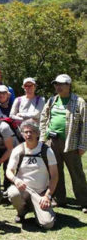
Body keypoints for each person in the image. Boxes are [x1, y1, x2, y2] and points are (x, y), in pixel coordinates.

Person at [39, 74, 87, 213]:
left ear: (69, 85)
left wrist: (83, 145)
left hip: (70, 143)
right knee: (55, 171)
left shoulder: (79, 102)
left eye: (61, 84)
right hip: (52, 141)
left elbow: (85, 125)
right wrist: (43, 137)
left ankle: (84, 202)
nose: (58, 87)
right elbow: (43, 118)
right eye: (56, 84)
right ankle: (60, 199)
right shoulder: (52, 100)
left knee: (76, 173)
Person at [6, 120, 58, 229]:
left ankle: (39, 210)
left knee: (47, 224)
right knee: (12, 193)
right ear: (22, 134)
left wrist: (47, 196)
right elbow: (9, 171)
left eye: (32, 131)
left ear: (38, 134)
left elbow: (54, 176)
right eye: (26, 132)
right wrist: (16, 180)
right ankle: (22, 211)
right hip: (24, 191)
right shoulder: (18, 150)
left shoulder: (47, 151)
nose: (28, 134)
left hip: (41, 194)